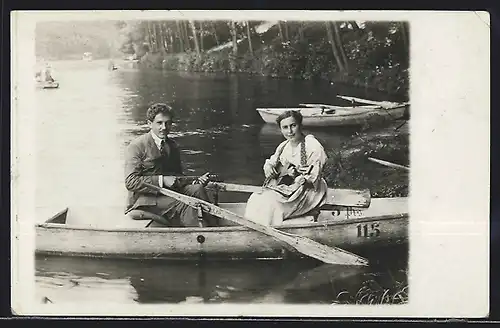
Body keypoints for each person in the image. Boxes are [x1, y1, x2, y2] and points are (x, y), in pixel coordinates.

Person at [124, 103, 218, 227]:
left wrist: (194, 182)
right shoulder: (137, 146)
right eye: (159, 123)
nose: (164, 127)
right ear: (149, 124)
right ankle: (197, 237)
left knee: (198, 190)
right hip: (145, 200)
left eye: (168, 123)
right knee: (186, 203)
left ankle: (215, 229)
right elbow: (131, 182)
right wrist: (162, 180)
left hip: (167, 194)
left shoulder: (172, 145)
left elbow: (176, 177)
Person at [244, 110, 328, 226]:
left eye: (293, 126)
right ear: (281, 129)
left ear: (300, 125)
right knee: (255, 198)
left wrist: (298, 177)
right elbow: (272, 162)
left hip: (308, 192)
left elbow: (314, 177)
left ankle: (269, 233)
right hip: (287, 189)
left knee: (270, 205)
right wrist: (269, 167)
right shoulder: (284, 146)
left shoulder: (311, 145)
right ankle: (255, 232)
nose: (289, 131)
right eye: (285, 127)